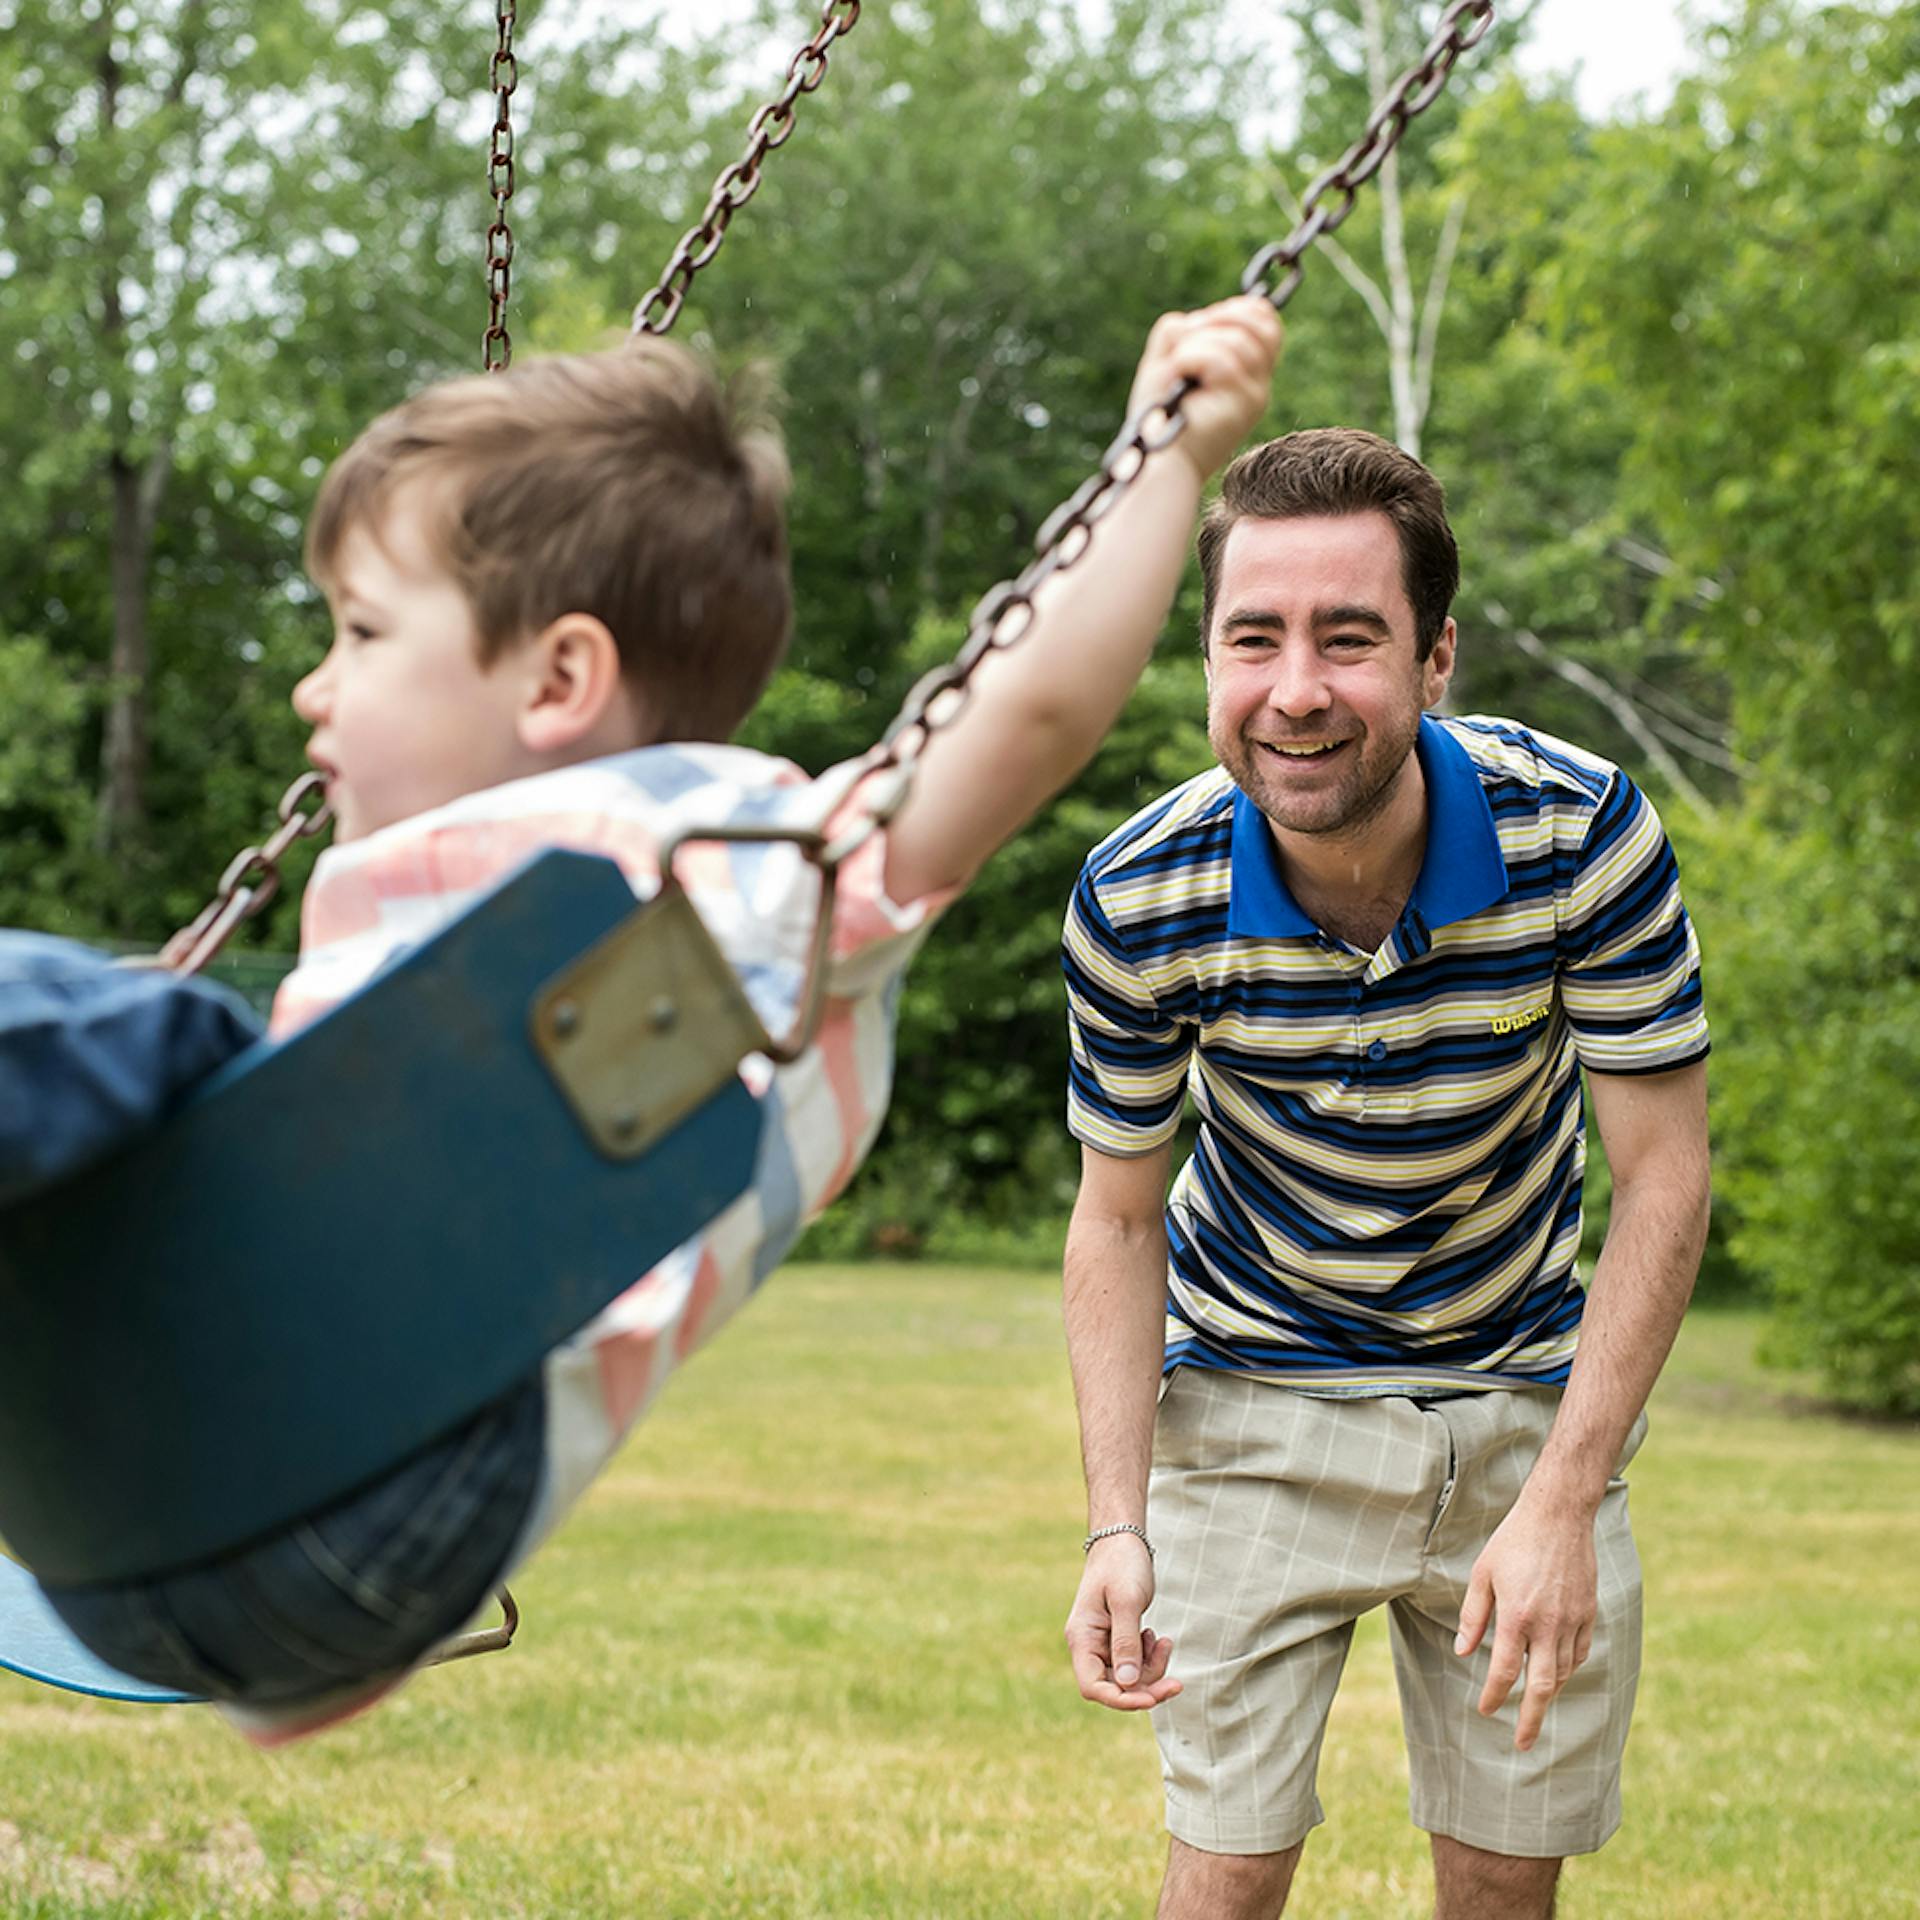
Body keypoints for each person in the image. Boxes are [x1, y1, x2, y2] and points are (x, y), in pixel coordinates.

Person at [10, 296, 1283, 1743]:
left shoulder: (727, 863)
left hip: (335, 1465)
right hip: (211, 1540)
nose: (315, 680)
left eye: (360, 631)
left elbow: (1030, 719)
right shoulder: (448, 918)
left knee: (109, 1018)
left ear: (561, 677)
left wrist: (1162, 457)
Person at [1060, 429, 1711, 1919]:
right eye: (1254, 638)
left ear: (1434, 662)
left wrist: (1564, 1492)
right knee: (1222, 1880)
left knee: (1499, 1887)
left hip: (1521, 1417)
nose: (1296, 688)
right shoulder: (1142, 894)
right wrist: (1118, 1522)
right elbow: (1115, 1216)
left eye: (1350, 638)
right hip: (1249, 1404)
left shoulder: (1581, 836)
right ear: (1208, 656)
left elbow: (1664, 1179)